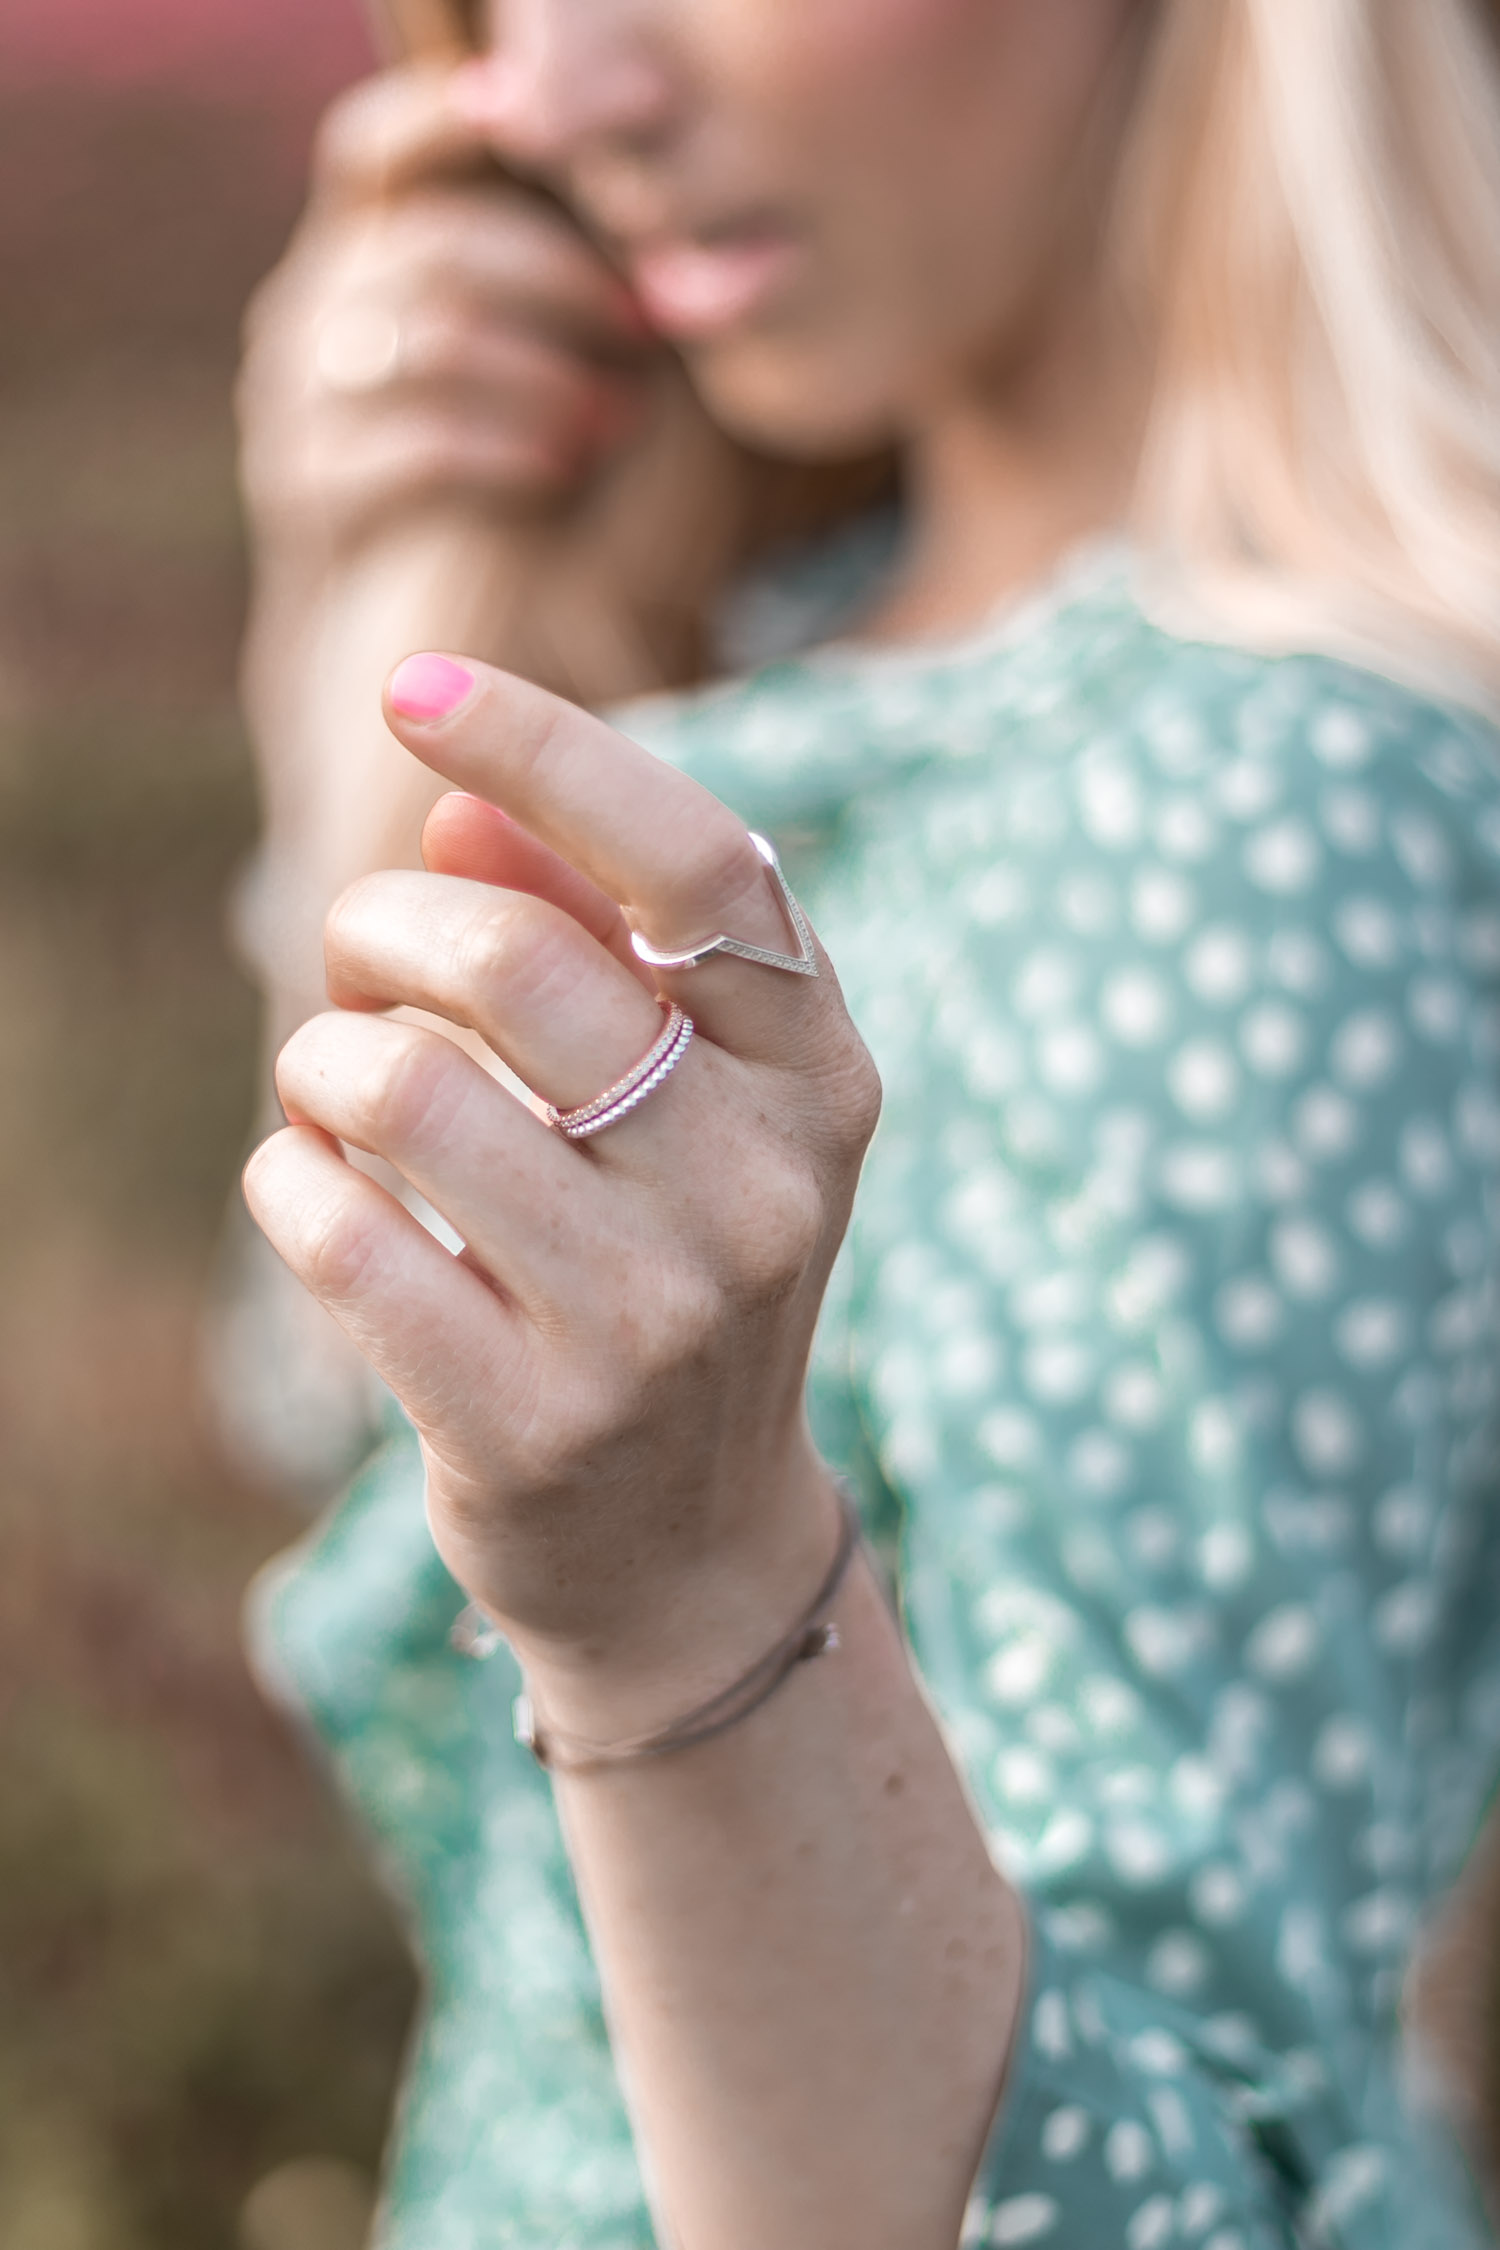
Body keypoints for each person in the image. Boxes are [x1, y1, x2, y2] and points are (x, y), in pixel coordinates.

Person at [230, 1, 1500, 2243]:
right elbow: (323, 1399)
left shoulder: (1242, 825)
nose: (546, 87)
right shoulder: (803, 658)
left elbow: (1182, 2196)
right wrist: (377, 618)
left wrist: (697, 1604)